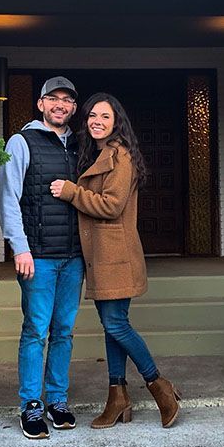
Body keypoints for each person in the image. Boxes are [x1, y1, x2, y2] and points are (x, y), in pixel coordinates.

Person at [50, 92, 181, 429]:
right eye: (92, 115)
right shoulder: (98, 153)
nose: (97, 121)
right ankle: (117, 397)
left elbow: (111, 205)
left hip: (116, 256)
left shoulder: (120, 156)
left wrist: (70, 191)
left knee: (115, 325)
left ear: (117, 122)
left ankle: (158, 385)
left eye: (105, 116)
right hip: (102, 256)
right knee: (112, 327)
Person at [0, 76, 84, 440]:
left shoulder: (81, 146)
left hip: (74, 256)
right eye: (54, 99)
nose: (60, 105)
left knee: (63, 331)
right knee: (36, 331)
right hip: (39, 256)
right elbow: (8, 197)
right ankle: (31, 405)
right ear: (41, 103)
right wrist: (20, 247)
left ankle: (57, 401)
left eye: (67, 100)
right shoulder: (22, 141)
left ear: (74, 108)